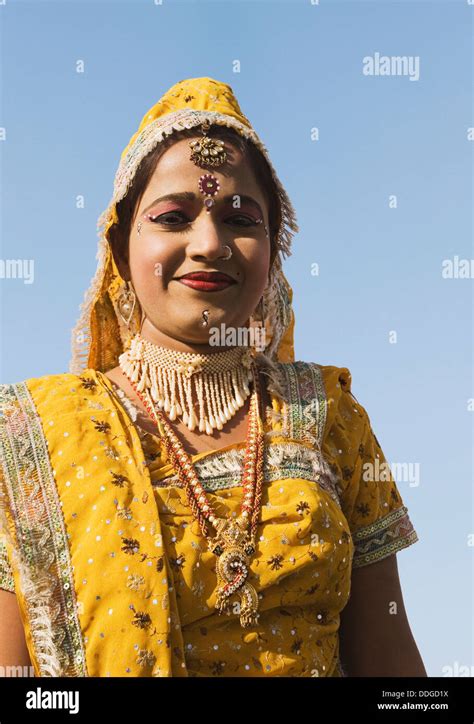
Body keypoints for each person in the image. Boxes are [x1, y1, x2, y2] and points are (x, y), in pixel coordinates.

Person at [0, 77, 426, 677]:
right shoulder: (31, 434)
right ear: (122, 248)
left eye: (240, 219)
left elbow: (391, 663)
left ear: (273, 248)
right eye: (173, 217)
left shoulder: (330, 414)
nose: (209, 243)